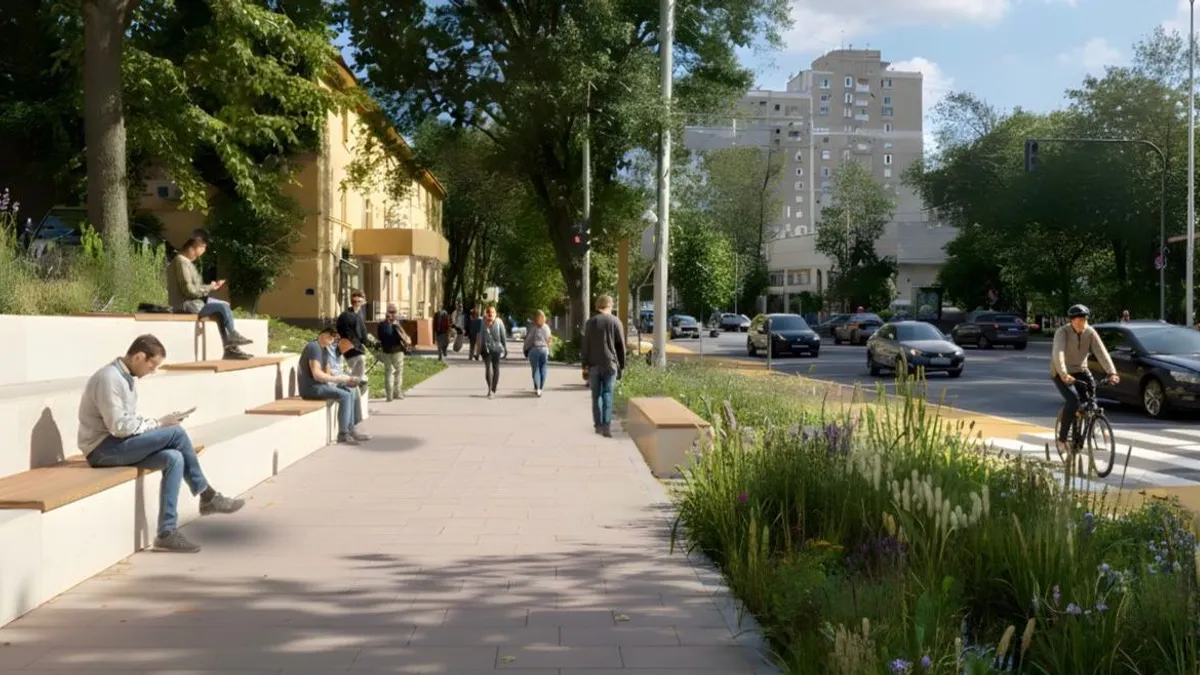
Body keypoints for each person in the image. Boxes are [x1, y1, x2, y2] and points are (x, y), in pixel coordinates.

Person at [78, 334, 244, 553]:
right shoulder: (109, 378)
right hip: (102, 450)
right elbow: (119, 427)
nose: (153, 371)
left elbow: (128, 423)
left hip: (120, 443)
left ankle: (166, 532)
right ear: (139, 357)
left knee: (174, 458)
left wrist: (158, 423)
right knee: (176, 433)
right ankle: (207, 496)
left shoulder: (125, 378)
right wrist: (159, 424)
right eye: (152, 365)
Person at [166, 235, 253, 360]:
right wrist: (209, 288)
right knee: (222, 307)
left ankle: (230, 349)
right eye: (197, 254)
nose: (197, 257)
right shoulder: (181, 261)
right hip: (186, 305)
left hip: (191, 303)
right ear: (193, 248)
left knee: (221, 310)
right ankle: (232, 338)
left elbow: (193, 288)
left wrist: (211, 286)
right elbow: (189, 291)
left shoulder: (183, 262)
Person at [1051, 304, 1119, 453]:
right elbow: (1058, 353)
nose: (1083, 322)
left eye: (1085, 319)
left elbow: (1101, 352)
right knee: (1073, 400)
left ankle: (1097, 425)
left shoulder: (1090, 332)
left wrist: (1112, 372)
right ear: (1072, 320)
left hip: (1081, 369)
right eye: (1080, 319)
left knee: (1091, 395)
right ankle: (1062, 439)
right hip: (1061, 372)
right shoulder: (1062, 332)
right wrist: (1064, 374)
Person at [299, 326, 372, 445]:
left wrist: (345, 380)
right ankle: (342, 434)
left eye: (335, 337)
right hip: (311, 387)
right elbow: (316, 374)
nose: (333, 339)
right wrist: (338, 379)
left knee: (350, 390)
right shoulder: (313, 347)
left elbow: (327, 373)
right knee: (344, 396)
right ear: (323, 334)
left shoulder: (324, 350)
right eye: (331, 335)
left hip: (322, 385)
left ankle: (351, 429)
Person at [582, 295, 626, 437]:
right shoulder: (615, 321)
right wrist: (621, 366)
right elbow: (621, 347)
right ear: (610, 305)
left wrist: (584, 365)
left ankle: (598, 425)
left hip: (593, 364)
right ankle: (607, 426)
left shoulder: (590, 323)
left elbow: (585, 346)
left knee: (596, 396)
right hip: (610, 364)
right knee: (607, 393)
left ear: (597, 306)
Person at [336, 290, 369, 398]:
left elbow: (362, 333)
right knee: (355, 376)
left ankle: (352, 395)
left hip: (352, 347)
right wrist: (361, 343)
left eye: (359, 301)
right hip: (352, 349)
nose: (357, 303)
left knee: (356, 375)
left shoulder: (357, 314)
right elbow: (352, 333)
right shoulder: (348, 315)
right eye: (355, 301)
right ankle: (350, 395)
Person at [377, 302, 411, 401]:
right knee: (398, 372)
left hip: (386, 351)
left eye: (394, 312)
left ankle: (389, 396)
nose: (393, 314)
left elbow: (380, 338)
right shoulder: (397, 325)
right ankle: (397, 392)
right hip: (397, 351)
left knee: (388, 372)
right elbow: (405, 338)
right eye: (393, 312)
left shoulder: (381, 325)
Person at [476, 305, 508, 398]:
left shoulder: (493, 322)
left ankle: (491, 389)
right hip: (489, 349)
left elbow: (503, 336)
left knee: (492, 368)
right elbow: (480, 336)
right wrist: (505, 348)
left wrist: (505, 347)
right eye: (490, 312)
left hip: (492, 349)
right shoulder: (487, 322)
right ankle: (492, 389)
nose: (491, 314)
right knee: (492, 368)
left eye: (493, 312)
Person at [523, 309, 553, 397]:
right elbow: (549, 340)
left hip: (535, 349)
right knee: (543, 368)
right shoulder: (547, 328)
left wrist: (525, 349)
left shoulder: (534, 328)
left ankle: (537, 388)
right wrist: (548, 348)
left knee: (535, 369)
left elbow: (529, 340)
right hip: (544, 350)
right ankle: (541, 387)